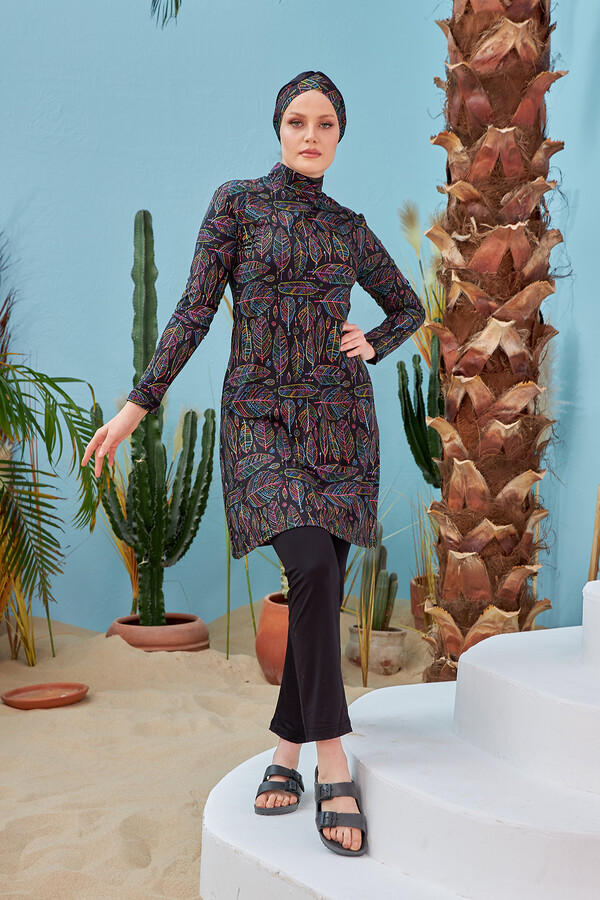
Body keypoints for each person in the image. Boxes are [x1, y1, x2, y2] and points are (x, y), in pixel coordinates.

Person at [82, 70, 426, 857]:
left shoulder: (349, 227)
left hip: (340, 428)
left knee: (321, 582)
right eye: (298, 120)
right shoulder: (237, 204)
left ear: (340, 137)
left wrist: (374, 342)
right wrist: (138, 404)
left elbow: (407, 305)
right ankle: (333, 760)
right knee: (308, 565)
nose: (311, 134)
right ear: (278, 128)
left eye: (326, 124)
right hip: (260, 419)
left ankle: (284, 753)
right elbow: (195, 309)